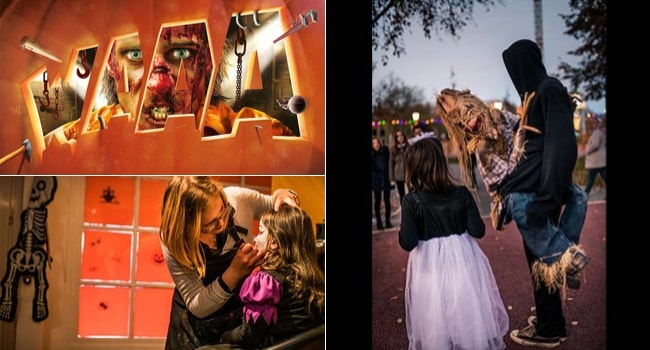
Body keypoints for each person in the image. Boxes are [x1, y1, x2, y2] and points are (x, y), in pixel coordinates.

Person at [52, 23, 293, 140]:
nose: (159, 84)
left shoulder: (263, 135)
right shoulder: (72, 138)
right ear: (110, 64)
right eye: (135, 55)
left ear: (208, 62)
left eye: (181, 53)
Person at [499, 39, 589, 347]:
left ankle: (549, 330)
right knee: (541, 263)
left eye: (515, 67)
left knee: (544, 261)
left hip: (540, 193)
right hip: (536, 189)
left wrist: (549, 196)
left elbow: (561, 147)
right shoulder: (535, 95)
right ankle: (552, 321)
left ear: (524, 65)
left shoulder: (549, 89)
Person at [158, 176, 300, 349]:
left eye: (223, 211)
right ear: (188, 228)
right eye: (209, 225)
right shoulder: (174, 238)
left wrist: (284, 194)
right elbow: (197, 303)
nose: (222, 223)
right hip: (195, 329)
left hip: (236, 323)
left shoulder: (238, 199)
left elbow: (275, 203)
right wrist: (235, 273)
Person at [398, 134, 509, 350]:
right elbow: (478, 230)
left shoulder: (412, 200)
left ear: (414, 166)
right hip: (463, 261)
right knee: (465, 307)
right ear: (441, 162)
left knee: (435, 312)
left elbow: (408, 242)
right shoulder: (461, 194)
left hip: (428, 267)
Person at [217, 205, 325, 348]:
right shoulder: (313, 277)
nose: (255, 238)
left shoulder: (266, 281)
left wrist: (224, 336)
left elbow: (249, 335)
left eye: (261, 232)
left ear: (274, 242)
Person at [372, 136, 392, 229]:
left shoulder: (385, 151)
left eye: (377, 143)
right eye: (374, 143)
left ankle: (388, 221)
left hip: (385, 179)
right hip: (376, 180)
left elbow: (389, 164)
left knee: (387, 201)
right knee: (377, 202)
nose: (376, 145)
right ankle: (379, 222)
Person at [583, 117, 606, 196]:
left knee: (590, 180)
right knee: (604, 177)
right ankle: (585, 194)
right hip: (601, 161)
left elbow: (595, 145)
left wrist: (587, 150)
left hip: (595, 161)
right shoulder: (600, 132)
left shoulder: (596, 133)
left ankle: (584, 195)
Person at [389, 130, 409, 204]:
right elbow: (391, 164)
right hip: (398, 175)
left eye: (401, 135)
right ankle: (403, 210)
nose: (400, 137)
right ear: (396, 138)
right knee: (402, 195)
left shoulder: (408, 147)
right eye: (398, 136)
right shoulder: (393, 149)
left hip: (408, 174)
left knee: (411, 193)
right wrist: (392, 179)